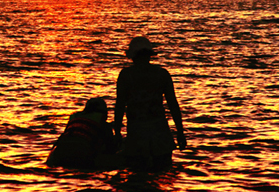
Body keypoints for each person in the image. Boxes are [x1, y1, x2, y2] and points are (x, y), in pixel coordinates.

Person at [113, 36, 186, 171]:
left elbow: (120, 106)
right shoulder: (162, 74)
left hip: (136, 133)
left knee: (137, 177)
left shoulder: (126, 75)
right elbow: (173, 105)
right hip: (160, 133)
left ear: (132, 56)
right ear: (149, 55)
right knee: (163, 174)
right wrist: (180, 132)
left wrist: (117, 133)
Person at [46, 97, 117, 169]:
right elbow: (110, 147)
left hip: (59, 155)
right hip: (82, 157)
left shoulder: (75, 118)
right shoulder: (103, 124)